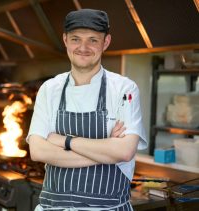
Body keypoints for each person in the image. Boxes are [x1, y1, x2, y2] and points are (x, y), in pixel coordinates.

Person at [27, 9, 147, 210]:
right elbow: (38, 151)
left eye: (93, 40)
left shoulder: (124, 89)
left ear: (106, 42)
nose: (83, 47)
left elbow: (125, 152)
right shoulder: (49, 89)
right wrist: (106, 152)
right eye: (75, 39)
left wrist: (65, 141)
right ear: (65, 40)